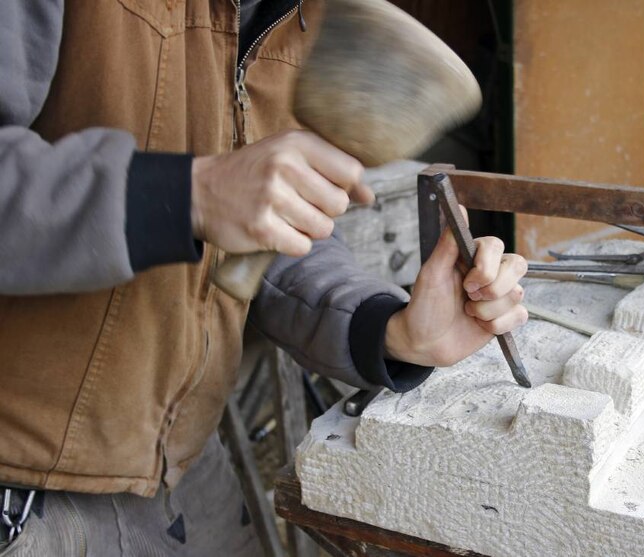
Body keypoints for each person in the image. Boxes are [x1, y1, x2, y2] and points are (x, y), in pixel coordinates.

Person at [0, 1, 528, 555]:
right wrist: (188, 194)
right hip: (25, 484)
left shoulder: (298, 15)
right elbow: (219, 196)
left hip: (179, 463)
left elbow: (268, 224)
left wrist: (392, 329)